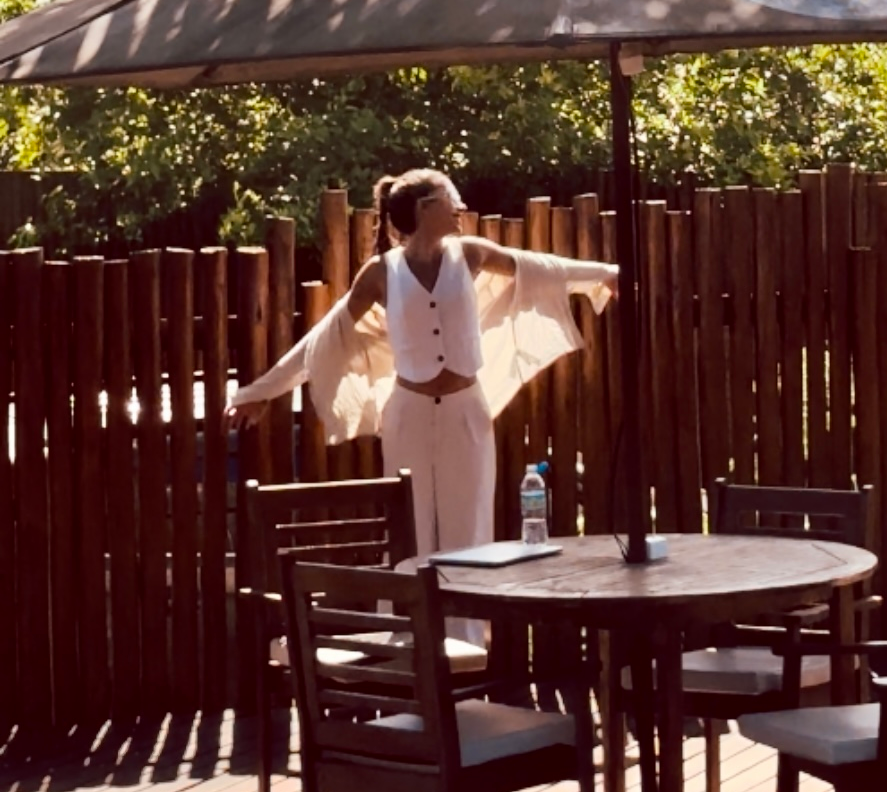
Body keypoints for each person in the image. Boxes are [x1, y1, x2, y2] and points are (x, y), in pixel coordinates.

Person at [227, 168, 617, 562]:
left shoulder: (470, 253)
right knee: (410, 527)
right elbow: (324, 338)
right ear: (426, 208)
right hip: (408, 415)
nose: (461, 207)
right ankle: (410, 604)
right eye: (452, 199)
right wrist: (260, 393)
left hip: (465, 412)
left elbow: (539, 268)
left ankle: (463, 605)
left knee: (469, 527)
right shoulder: (381, 272)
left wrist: (603, 274)